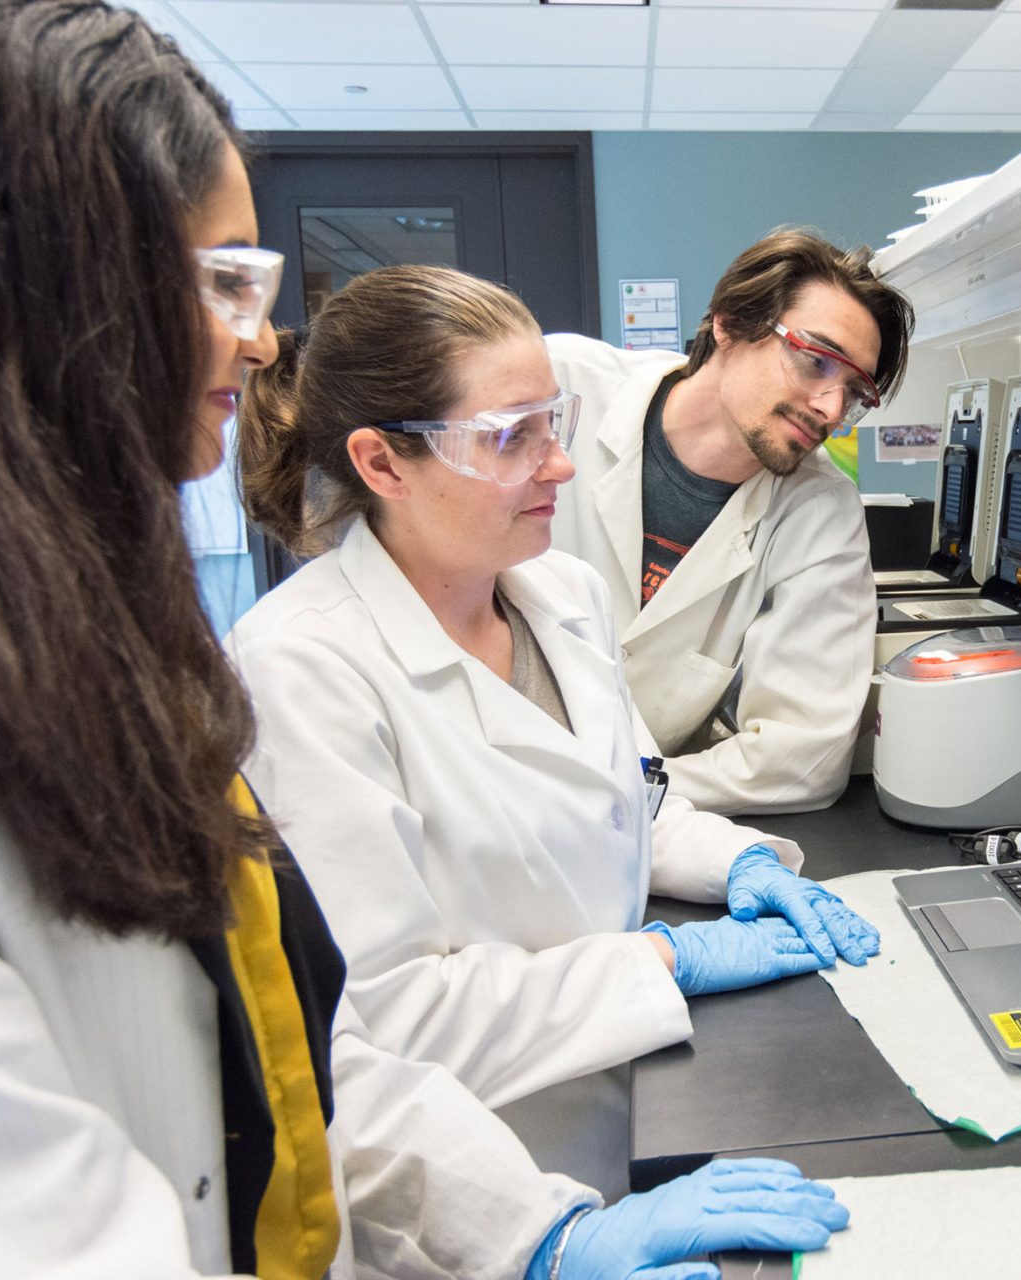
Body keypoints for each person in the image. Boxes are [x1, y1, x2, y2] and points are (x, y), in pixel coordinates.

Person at [0, 2, 848, 1276]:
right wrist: (655, 972)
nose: (261, 335)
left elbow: (306, 1039)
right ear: (42, 296)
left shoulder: (118, 645)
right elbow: (24, 1217)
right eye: (220, 281)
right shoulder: (276, 665)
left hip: (522, 1155)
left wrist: (544, 1222)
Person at [229, 263, 883, 1197]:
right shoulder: (302, 669)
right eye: (509, 438)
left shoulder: (560, 595)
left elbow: (632, 802)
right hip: (472, 1173)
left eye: (554, 423)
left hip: (637, 1094)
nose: (562, 466)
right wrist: (668, 957)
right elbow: (389, 1020)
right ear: (382, 464)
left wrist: (743, 862)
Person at [546, 231, 915, 815]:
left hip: (633, 831)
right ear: (730, 322)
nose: (830, 408)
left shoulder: (819, 509)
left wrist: (608, 799)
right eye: (815, 360)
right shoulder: (560, 387)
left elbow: (803, 761)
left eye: (853, 391)